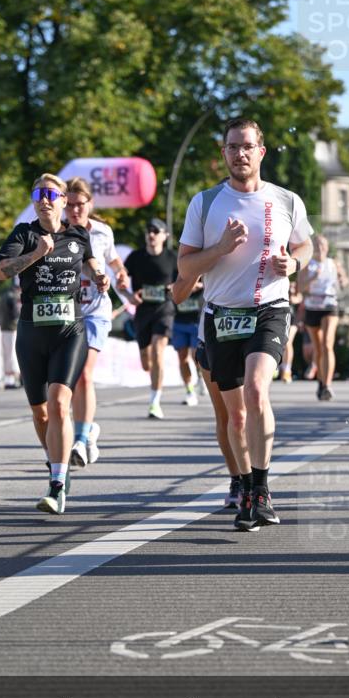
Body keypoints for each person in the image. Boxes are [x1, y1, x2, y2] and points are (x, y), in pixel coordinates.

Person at [178, 117, 313, 532]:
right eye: (232, 147)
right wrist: (220, 248)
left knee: (257, 390)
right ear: (224, 153)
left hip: (270, 308)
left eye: (247, 146)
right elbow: (185, 267)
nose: (240, 153)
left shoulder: (287, 200)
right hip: (222, 315)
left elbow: (305, 245)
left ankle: (261, 490)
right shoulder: (205, 203)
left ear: (261, 152)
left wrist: (294, 263)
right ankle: (245, 485)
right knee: (235, 417)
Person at [0, 173, 109, 514]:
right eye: (38, 194)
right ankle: (57, 463)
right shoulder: (24, 235)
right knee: (41, 412)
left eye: (51, 194)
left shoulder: (78, 234)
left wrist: (99, 276)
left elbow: (92, 263)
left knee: (59, 403)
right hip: (31, 332)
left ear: (62, 201)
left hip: (69, 331)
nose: (44, 199)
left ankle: (57, 485)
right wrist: (35, 255)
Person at [64, 177, 129, 468]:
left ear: (90, 204)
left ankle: (80, 440)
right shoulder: (58, 232)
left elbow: (113, 260)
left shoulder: (103, 231)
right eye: (70, 205)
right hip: (66, 312)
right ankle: (88, 430)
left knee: (84, 374)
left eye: (80, 204)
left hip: (96, 311)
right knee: (68, 380)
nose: (75, 210)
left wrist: (121, 274)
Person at [173, 273, 242, 510]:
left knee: (250, 409)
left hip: (256, 331)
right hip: (214, 333)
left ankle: (256, 482)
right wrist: (194, 274)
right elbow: (178, 294)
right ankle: (237, 479)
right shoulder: (207, 249)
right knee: (227, 417)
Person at [124, 217, 178, 420]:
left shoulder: (173, 257)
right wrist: (129, 296)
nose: (151, 235)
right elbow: (120, 280)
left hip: (164, 309)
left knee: (157, 352)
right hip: (142, 312)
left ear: (165, 236)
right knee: (146, 363)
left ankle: (155, 402)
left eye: (156, 231)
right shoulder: (136, 257)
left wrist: (175, 288)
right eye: (149, 231)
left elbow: (186, 279)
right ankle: (154, 385)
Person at [299, 234, 347, 400]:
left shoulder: (333, 263)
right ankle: (321, 381)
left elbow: (344, 281)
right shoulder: (307, 264)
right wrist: (313, 278)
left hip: (329, 305)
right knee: (318, 348)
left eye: (323, 245)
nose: (320, 248)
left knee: (327, 344)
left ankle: (327, 385)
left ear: (327, 247)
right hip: (312, 307)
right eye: (317, 245)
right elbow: (300, 287)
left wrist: (342, 279)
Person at [171, 276, 203, 406]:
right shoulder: (175, 268)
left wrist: (197, 285)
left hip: (197, 321)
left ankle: (201, 376)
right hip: (179, 321)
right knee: (182, 358)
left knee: (196, 357)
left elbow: (210, 283)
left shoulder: (201, 267)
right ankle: (190, 391)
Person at [0, 280, 22, 389]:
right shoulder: (13, 298)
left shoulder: (4, 296)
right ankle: (13, 379)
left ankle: (8, 379)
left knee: (6, 353)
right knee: (12, 353)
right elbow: (15, 314)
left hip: (4, 327)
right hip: (12, 328)